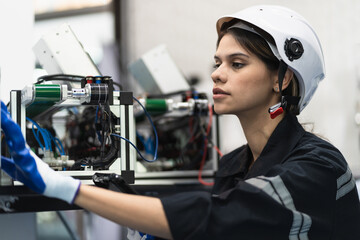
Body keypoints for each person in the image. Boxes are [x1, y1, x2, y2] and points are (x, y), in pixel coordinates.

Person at [1, 4, 360, 240]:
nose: (217, 75)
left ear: (282, 78)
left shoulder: (318, 167)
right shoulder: (236, 164)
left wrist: (69, 189)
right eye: (217, 62)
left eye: (237, 64)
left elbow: (220, 218)